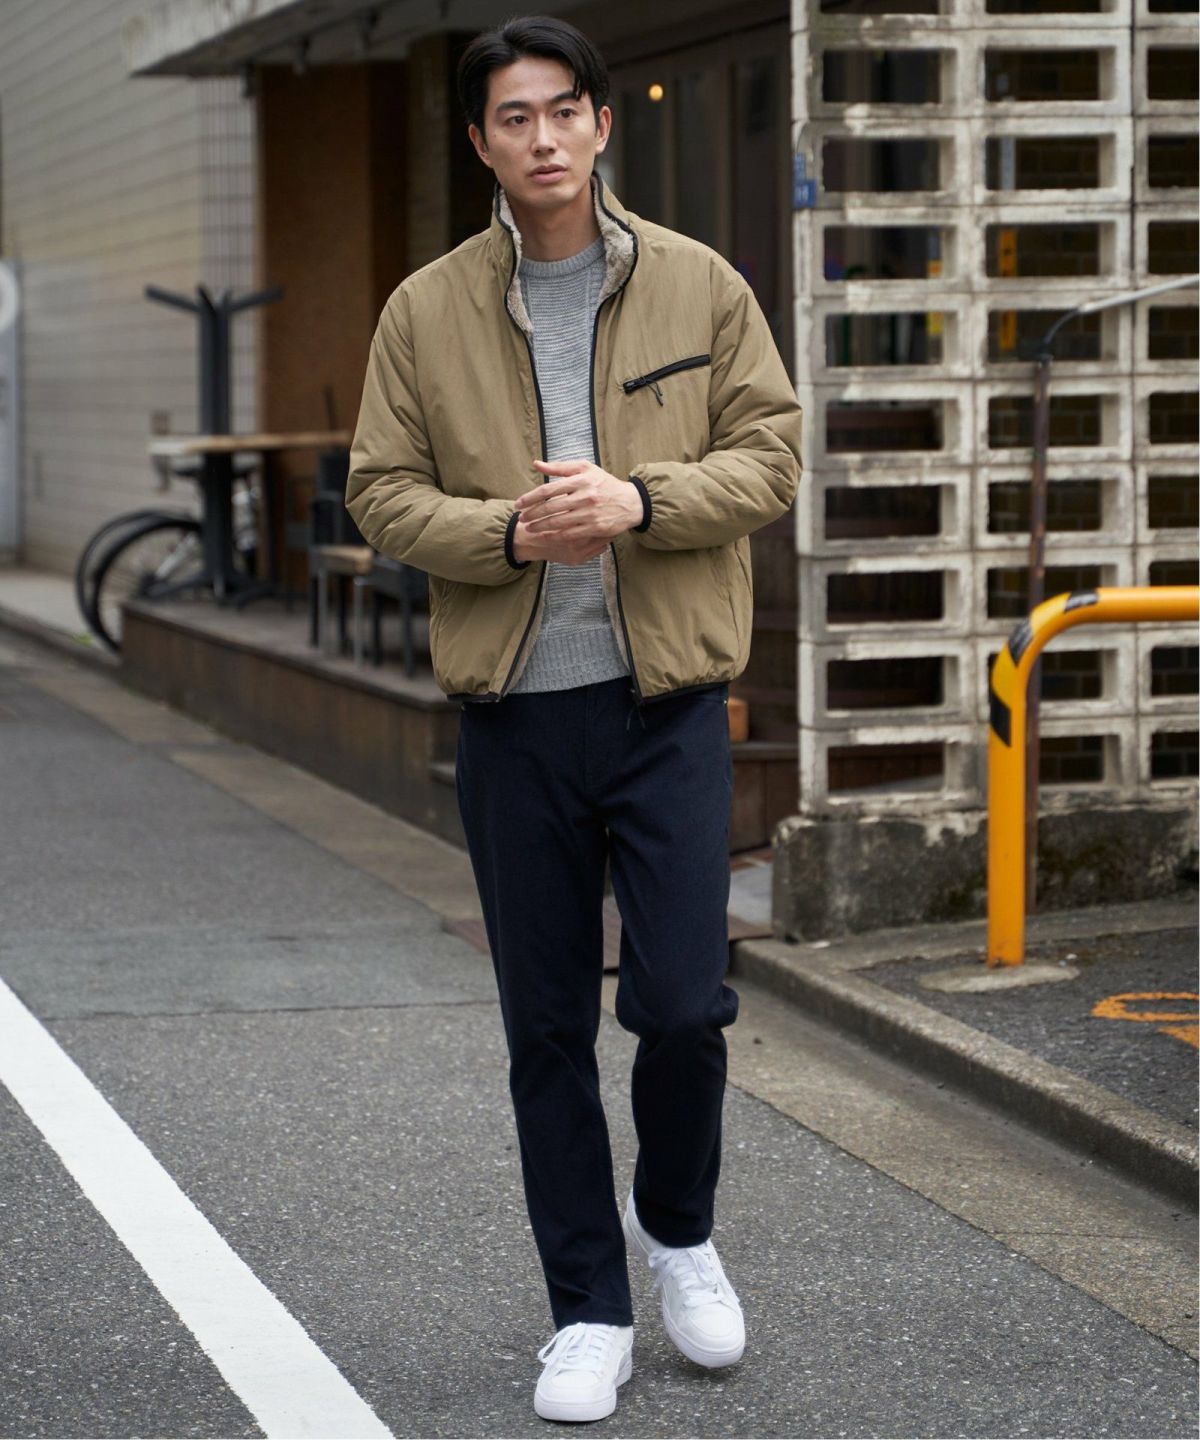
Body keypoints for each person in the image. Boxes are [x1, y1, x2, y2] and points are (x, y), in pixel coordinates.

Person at [346, 13, 802, 1424]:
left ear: (603, 123)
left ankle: (679, 1231)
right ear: (480, 142)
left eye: (562, 111)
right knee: (545, 1028)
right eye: (513, 117)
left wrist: (639, 500)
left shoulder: (700, 283)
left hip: (667, 707)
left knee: (681, 1005)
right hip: (517, 720)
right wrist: (510, 534)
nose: (542, 138)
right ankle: (588, 1310)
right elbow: (379, 491)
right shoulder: (425, 309)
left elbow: (772, 455)